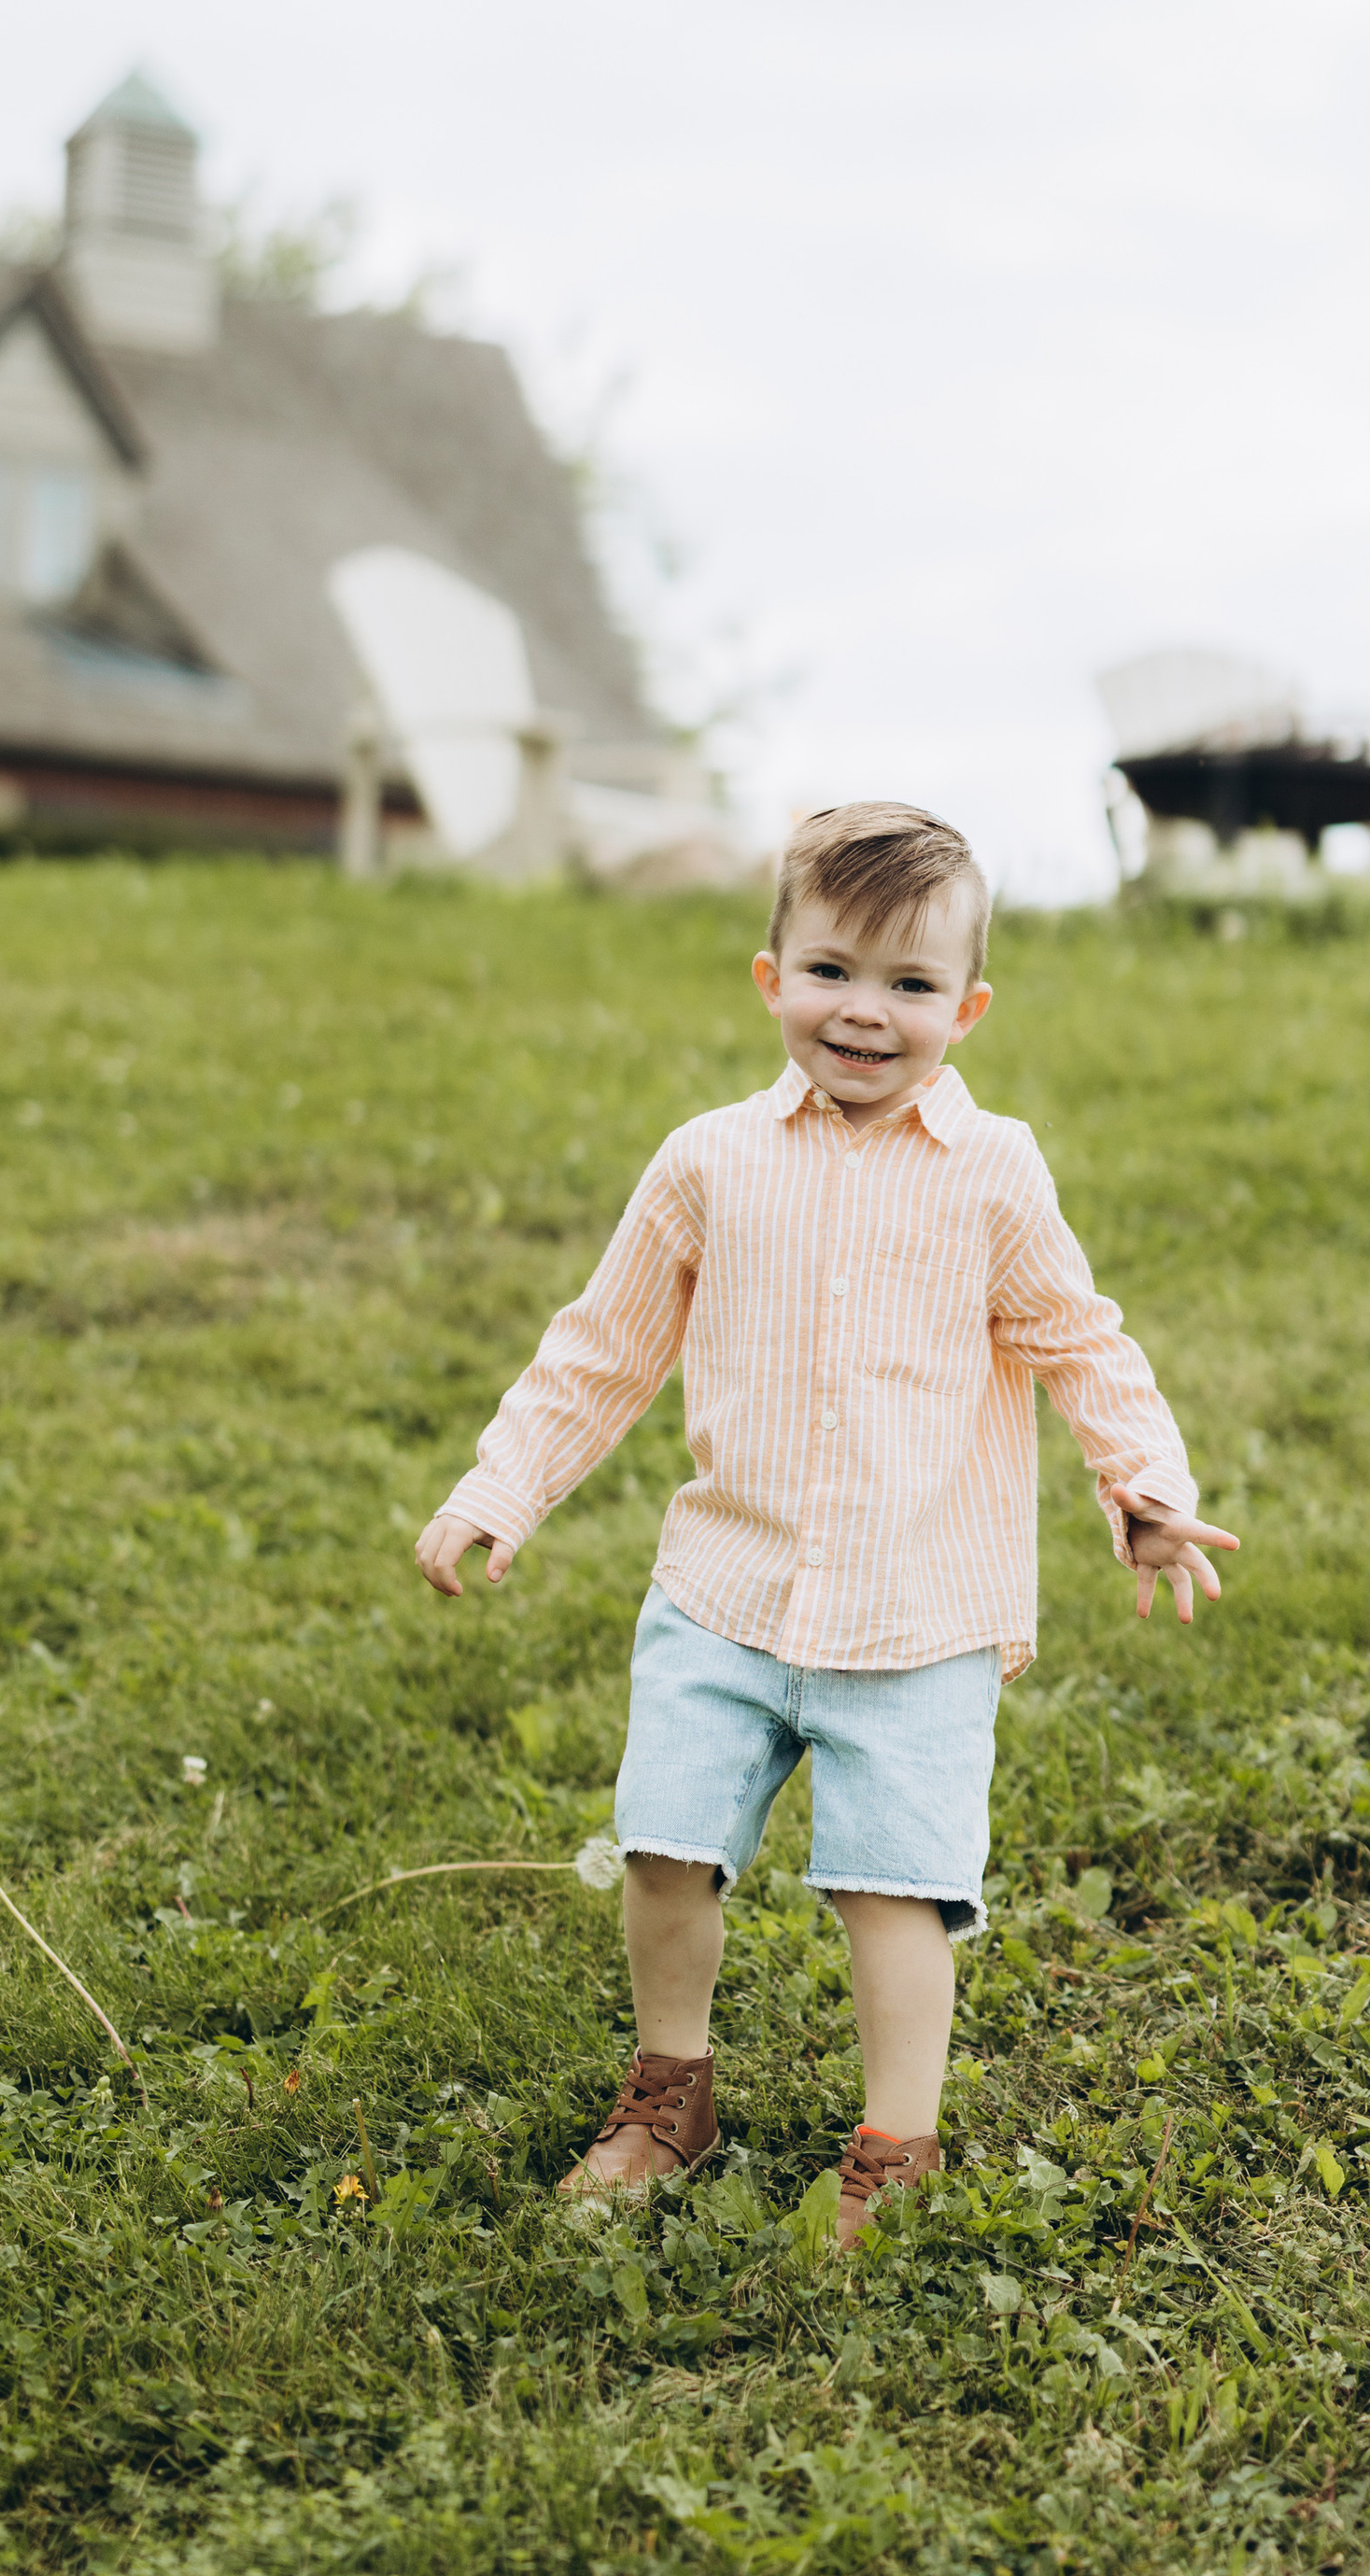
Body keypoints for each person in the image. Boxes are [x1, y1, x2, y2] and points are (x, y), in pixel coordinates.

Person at [413, 800, 1235, 2245]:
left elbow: (1080, 1342)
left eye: (911, 987)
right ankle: (673, 2090)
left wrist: (1144, 1487)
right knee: (666, 1847)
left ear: (966, 1009)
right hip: (724, 1593)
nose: (866, 1013)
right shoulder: (706, 1162)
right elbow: (604, 1349)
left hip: (917, 1620)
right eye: (833, 971)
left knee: (891, 1890)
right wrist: (503, 1486)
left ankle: (894, 2149)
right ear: (771, 974)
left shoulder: (995, 1173)